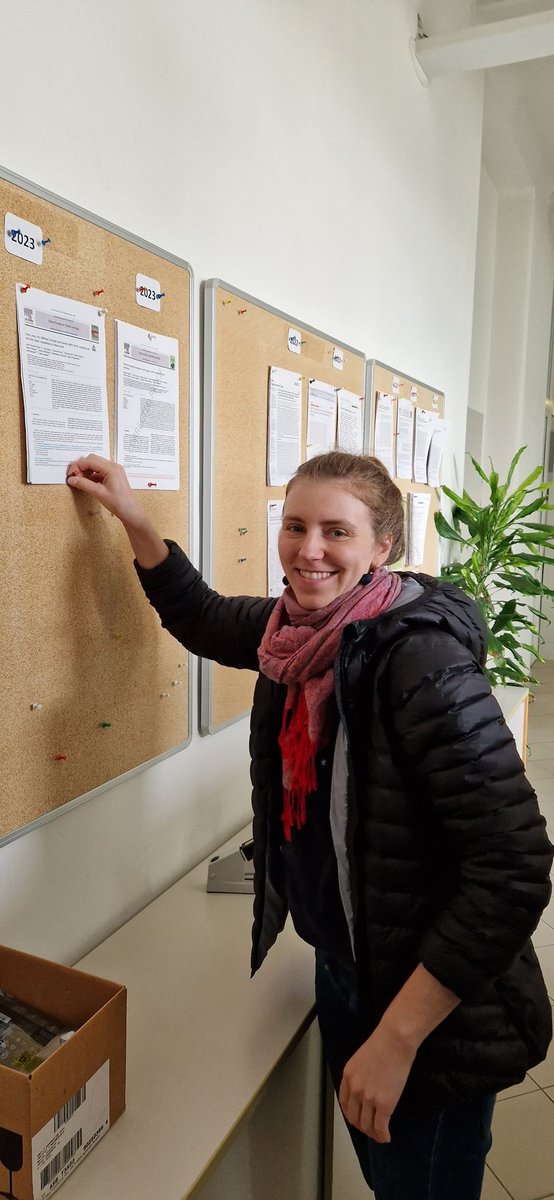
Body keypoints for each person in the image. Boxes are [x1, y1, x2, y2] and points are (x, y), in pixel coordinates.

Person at [66, 449, 553, 1200]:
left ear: (381, 548)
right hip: (349, 969)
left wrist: (396, 1040)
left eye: (337, 531)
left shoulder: (416, 659)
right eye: (295, 526)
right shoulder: (295, 635)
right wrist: (134, 515)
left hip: (432, 1012)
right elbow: (201, 616)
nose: (310, 550)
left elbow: (515, 866)